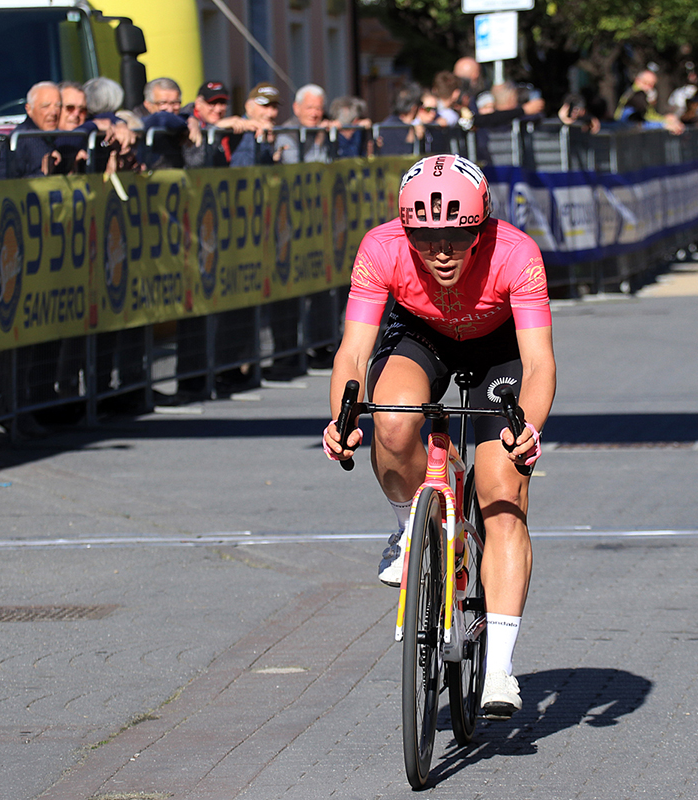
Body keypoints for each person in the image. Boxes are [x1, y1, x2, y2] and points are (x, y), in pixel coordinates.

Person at [322, 154, 556, 719]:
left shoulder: (517, 253)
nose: (441, 252)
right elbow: (355, 351)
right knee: (395, 418)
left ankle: (498, 668)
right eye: (425, 238)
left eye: (456, 236)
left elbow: (540, 362)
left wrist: (528, 429)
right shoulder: (380, 248)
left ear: (480, 228)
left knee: (502, 487)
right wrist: (342, 418)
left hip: (498, 346)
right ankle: (410, 529)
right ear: (406, 230)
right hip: (421, 333)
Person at [4, 81, 61, 178]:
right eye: (45, 106)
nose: (53, 112)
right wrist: (42, 174)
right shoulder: (20, 139)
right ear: (29, 109)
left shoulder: (57, 135)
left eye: (58, 106)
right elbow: (6, 183)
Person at [275, 83, 334, 164]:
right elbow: (300, 170)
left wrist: (339, 132)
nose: (314, 114)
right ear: (296, 108)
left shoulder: (326, 127)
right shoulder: (287, 133)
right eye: (309, 108)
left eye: (318, 109)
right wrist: (319, 140)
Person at [231, 82, 282, 166]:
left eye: (274, 107)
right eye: (265, 106)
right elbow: (243, 168)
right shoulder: (239, 130)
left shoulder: (270, 131)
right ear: (248, 107)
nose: (270, 113)